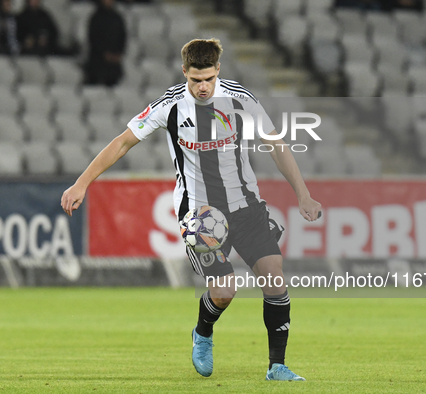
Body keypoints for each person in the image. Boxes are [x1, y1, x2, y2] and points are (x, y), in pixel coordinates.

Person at [61, 38, 322, 381]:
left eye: (209, 79)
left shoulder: (240, 99)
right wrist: (82, 182)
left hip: (246, 205)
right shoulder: (169, 106)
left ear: (218, 72)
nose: (202, 87)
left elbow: (276, 145)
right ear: (184, 72)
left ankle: (277, 366)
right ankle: (203, 332)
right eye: (195, 79)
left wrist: (303, 194)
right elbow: (123, 142)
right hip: (200, 215)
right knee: (225, 290)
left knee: (274, 277)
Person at [84, 0, 127, 86]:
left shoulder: (117, 18)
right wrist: (104, 53)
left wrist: (118, 53)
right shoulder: (95, 17)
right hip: (97, 62)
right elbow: (93, 38)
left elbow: (122, 37)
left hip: (114, 64)